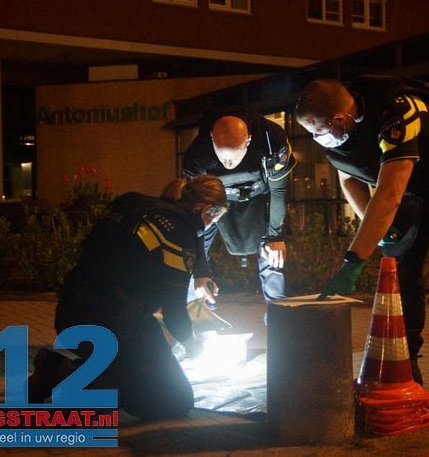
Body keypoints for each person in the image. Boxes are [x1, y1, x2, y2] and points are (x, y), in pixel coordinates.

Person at [295, 77, 429, 417]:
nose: (317, 139)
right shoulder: (343, 135)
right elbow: (350, 178)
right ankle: (406, 369)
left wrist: (354, 260)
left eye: (318, 131)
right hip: (416, 188)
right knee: (401, 281)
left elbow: (388, 194)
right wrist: (380, 229)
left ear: (339, 118)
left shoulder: (399, 115)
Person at [28, 175, 228, 420]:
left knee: (131, 374)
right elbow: (174, 312)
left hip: (71, 315)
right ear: (207, 209)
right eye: (214, 219)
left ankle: (60, 369)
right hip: (119, 324)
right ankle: (63, 374)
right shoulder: (177, 230)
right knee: (174, 400)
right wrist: (193, 345)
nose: (210, 226)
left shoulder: (134, 205)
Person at [182, 114, 296, 307]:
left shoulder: (272, 143)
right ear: (211, 137)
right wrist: (199, 270)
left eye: (233, 156)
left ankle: (277, 313)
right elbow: (196, 216)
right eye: (223, 157)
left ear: (248, 141)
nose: (228, 164)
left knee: (273, 252)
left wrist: (275, 236)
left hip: (261, 195)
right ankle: (198, 308)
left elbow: (279, 192)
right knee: (192, 251)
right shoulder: (196, 157)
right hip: (216, 199)